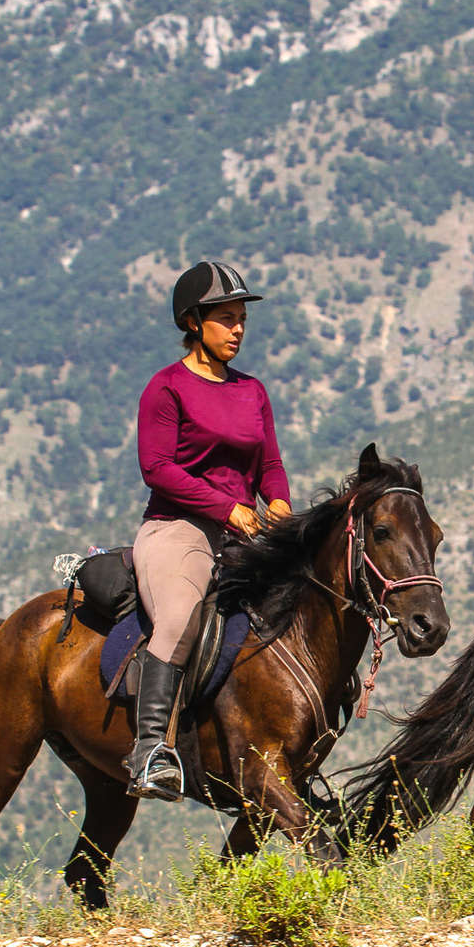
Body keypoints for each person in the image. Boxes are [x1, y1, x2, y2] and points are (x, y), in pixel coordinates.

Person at [127, 261, 292, 800]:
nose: (239, 329)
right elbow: (158, 469)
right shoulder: (167, 387)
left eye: (242, 319)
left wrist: (280, 503)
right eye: (226, 318)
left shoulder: (253, 391)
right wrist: (227, 509)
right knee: (178, 617)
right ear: (194, 322)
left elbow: (269, 462)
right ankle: (151, 750)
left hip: (246, 531)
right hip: (180, 528)